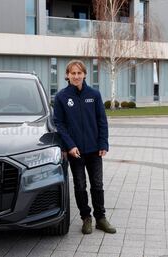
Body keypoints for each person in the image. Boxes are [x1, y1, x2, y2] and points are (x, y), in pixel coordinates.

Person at [53, 60, 116, 234]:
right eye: (72, 73)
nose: (76, 76)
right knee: (80, 186)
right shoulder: (61, 97)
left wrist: (103, 143)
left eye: (79, 73)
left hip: (95, 150)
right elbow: (59, 124)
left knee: (97, 185)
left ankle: (101, 218)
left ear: (85, 75)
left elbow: (101, 121)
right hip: (76, 152)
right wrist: (70, 146)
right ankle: (86, 218)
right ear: (67, 75)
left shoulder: (94, 95)